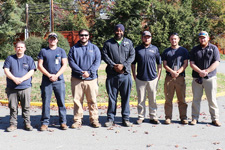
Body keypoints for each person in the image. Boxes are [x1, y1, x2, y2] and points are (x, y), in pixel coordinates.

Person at [102, 24, 135, 127]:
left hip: (125, 75)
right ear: (114, 31)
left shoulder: (128, 43)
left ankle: (126, 119)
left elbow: (132, 56)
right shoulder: (108, 43)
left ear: (123, 32)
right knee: (112, 98)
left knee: (125, 98)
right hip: (112, 75)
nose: (119, 32)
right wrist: (114, 66)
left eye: (121, 31)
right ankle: (110, 119)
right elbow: (105, 55)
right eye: (117, 30)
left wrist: (123, 66)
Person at [68, 29, 101, 128]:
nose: (84, 37)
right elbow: (71, 62)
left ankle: (94, 119)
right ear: (79, 36)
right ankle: (77, 120)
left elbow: (97, 61)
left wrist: (89, 72)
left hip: (91, 79)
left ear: (89, 36)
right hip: (77, 79)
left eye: (86, 35)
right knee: (77, 101)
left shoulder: (94, 48)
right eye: (82, 35)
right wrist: (81, 72)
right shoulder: (74, 48)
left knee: (92, 100)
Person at [190, 31, 221, 126]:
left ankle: (215, 119)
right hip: (197, 78)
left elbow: (216, 62)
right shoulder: (195, 49)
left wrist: (206, 71)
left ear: (208, 38)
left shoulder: (213, 48)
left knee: (212, 99)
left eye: (204, 37)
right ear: (199, 39)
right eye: (200, 38)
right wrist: (200, 72)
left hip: (210, 78)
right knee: (196, 99)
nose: (202, 39)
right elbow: (192, 63)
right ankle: (194, 118)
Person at [3, 41, 36, 132]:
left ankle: (27, 124)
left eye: (21, 47)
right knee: (13, 107)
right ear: (15, 48)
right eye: (18, 47)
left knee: (26, 107)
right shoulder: (10, 59)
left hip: (25, 87)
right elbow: (6, 70)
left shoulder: (29, 59)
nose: (20, 49)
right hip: (12, 88)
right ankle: (13, 124)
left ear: (25, 49)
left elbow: (31, 71)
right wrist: (14, 79)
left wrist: (21, 79)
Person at [38, 32, 68, 131]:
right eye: (51, 38)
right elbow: (40, 65)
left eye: (54, 38)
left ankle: (63, 122)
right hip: (47, 80)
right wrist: (49, 75)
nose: (52, 40)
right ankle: (45, 123)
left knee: (61, 102)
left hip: (59, 80)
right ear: (48, 40)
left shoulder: (61, 51)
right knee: (46, 102)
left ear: (57, 40)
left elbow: (64, 65)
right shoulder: (43, 51)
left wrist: (56, 75)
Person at [131, 31, 162, 125]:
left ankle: (153, 116)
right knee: (141, 99)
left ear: (151, 38)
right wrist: (134, 75)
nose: (146, 39)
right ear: (142, 38)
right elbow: (133, 63)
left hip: (152, 78)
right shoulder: (137, 49)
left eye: (148, 37)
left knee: (153, 99)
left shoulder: (155, 49)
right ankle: (141, 117)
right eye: (145, 37)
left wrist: (158, 76)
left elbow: (159, 63)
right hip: (140, 78)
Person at [162, 33, 189, 125]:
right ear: (170, 40)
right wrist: (172, 72)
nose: (174, 41)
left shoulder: (183, 50)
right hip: (169, 77)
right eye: (172, 39)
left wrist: (178, 72)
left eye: (175, 39)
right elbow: (164, 64)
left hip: (180, 77)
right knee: (168, 98)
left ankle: (183, 117)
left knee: (181, 98)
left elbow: (186, 63)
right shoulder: (166, 51)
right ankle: (168, 117)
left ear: (178, 40)